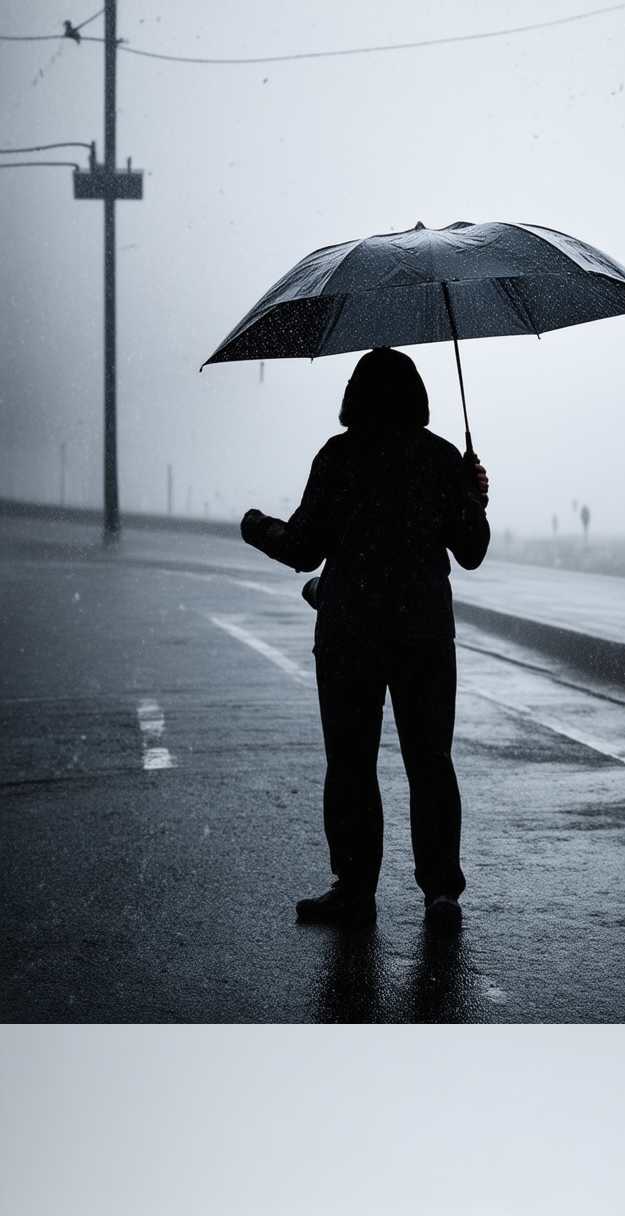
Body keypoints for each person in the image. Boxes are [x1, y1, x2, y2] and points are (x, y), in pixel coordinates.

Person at [240, 347, 491, 929]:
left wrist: (256, 527)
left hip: (350, 632)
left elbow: (302, 548)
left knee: (351, 762)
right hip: (425, 634)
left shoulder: (340, 457)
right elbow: (472, 551)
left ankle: (355, 889)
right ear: (417, 396)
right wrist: (473, 495)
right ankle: (441, 894)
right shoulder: (440, 458)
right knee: (430, 762)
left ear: (354, 396)